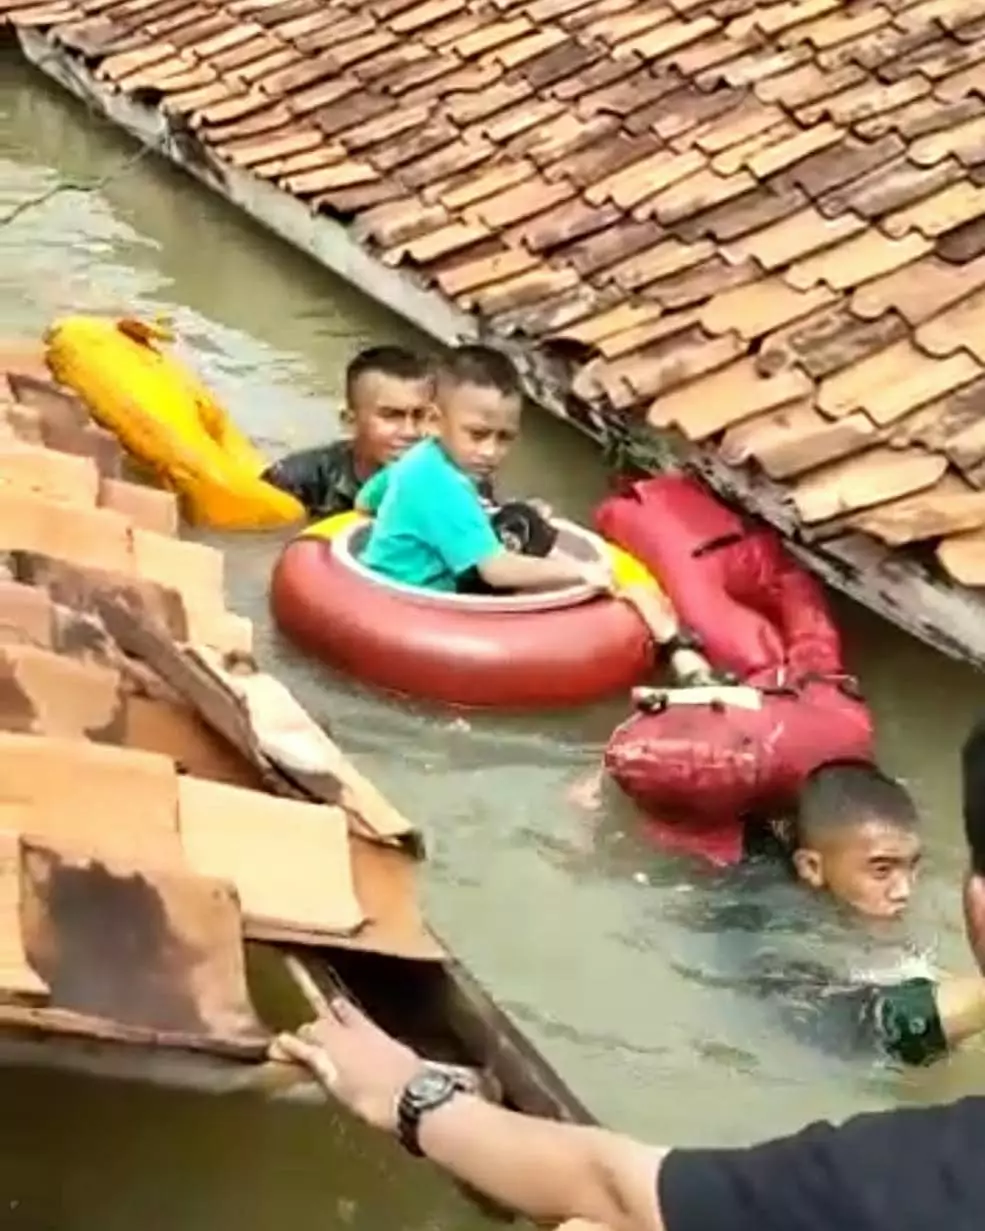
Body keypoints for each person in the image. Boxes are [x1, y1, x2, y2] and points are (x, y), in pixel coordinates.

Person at [273, 717, 985, 1231]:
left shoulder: (915, 1171)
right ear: (809, 869)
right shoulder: (760, 925)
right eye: (883, 870)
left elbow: (617, 1188)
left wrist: (408, 1095)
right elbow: (849, 1031)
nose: (902, 891)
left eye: (914, 869)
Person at [355, 345, 612, 594]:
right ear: (433, 421)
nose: (490, 451)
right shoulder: (443, 485)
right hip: (415, 597)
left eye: (505, 437)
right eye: (477, 435)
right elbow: (496, 570)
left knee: (522, 515)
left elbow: (365, 502)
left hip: (389, 578)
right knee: (530, 530)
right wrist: (578, 571)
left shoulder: (419, 456)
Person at [260, 346, 432, 519]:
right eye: (391, 416)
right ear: (350, 420)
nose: (411, 432)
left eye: (421, 415)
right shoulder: (294, 482)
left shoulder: (450, 480)